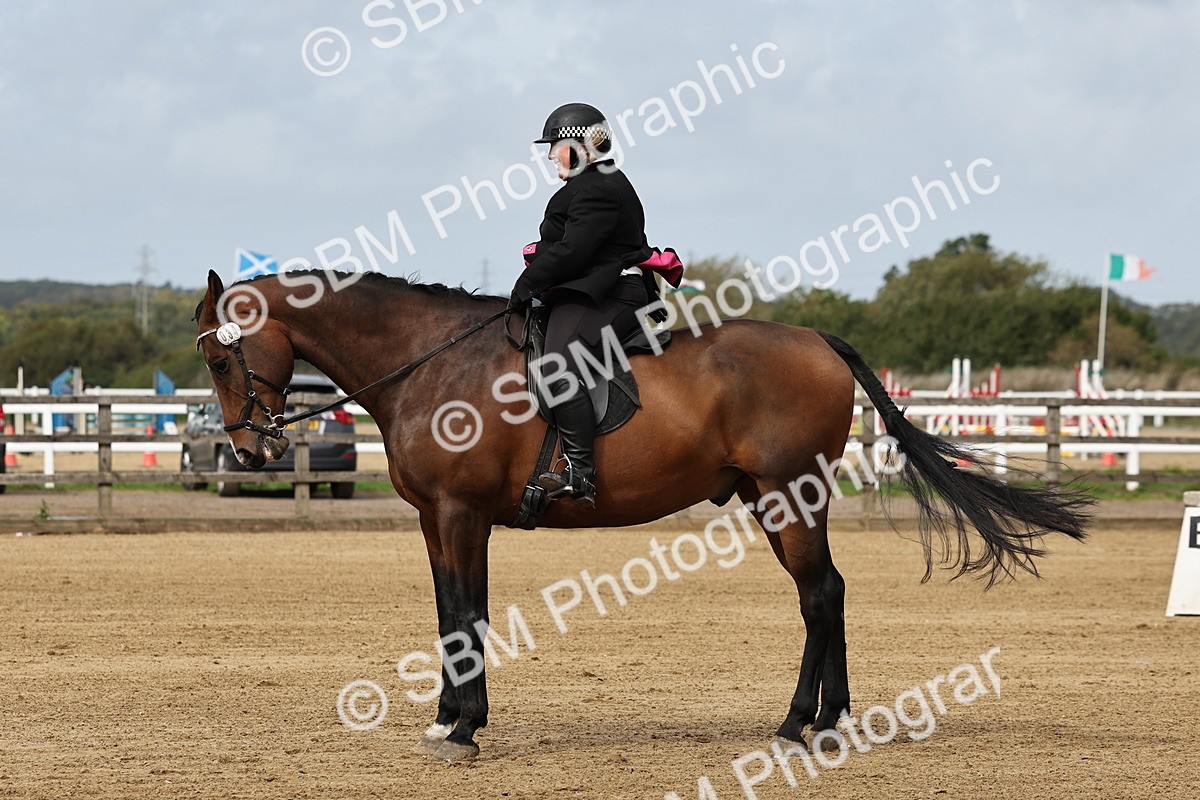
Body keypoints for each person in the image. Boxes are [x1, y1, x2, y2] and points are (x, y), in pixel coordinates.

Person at [509, 102, 656, 509]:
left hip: (612, 293)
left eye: (555, 144)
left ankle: (579, 470)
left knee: (555, 365)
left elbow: (574, 251)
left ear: (579, 145)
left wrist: (525, 285)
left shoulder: (598, 186)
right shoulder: (590, 184)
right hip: (590, 290)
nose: (550, 154)